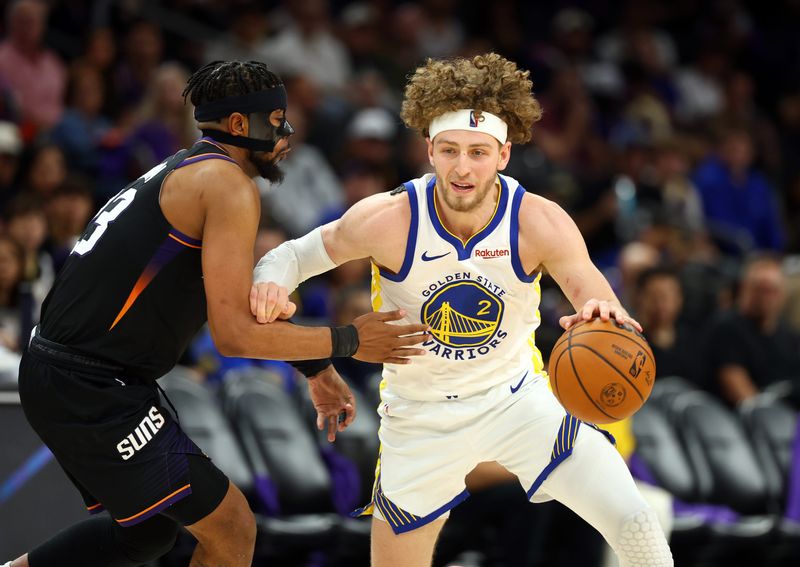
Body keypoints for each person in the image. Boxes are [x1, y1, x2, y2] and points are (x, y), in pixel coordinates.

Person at [252, 53, 673, 566]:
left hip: (516, 401)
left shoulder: (538, 221)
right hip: (420, 417)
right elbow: (290, 255)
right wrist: (271, 282)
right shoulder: (389, 218)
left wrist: (601, 312)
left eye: (478, 152)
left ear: (503, 155)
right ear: (429, 150)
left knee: (637, 525)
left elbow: (591, 288)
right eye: (449, 150)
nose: (462, 167)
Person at [4, 60, 429, 567]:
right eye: (275, 119)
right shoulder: (228, 185)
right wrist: (348, 341)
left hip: (80, 374)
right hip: (90, 384)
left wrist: (315, 367)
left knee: (148, 535)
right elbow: (232, 335)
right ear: (237, 125)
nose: (287, 131)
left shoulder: (186, 169)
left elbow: (234, 301)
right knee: (231, 527)